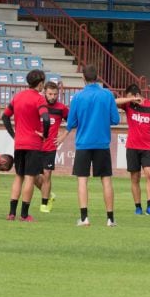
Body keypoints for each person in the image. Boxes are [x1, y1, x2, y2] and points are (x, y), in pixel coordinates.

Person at [59, 65, 120, 227]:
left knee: (82, 181)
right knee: (106, 180)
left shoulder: (78, 97)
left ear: (83, 78)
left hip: (84, 143)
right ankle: (110, 219)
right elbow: (115, 119)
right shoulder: (107, 95)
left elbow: (71, 122)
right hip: (102, 143)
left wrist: (64, 135)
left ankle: (85, 218)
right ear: (98, 77)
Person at [2, 69, 50, 222]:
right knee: (30, 178)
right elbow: (46, 119)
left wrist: (14, 135)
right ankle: (24, 214)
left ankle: (11, 213)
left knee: (18, 177)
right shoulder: (39, 99)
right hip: (33, 144)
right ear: (41, 83)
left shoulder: (18, 96)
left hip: (19, 143)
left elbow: (5, 116)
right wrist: (45, 135)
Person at [122, 83, 150, 216]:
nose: (129, 100)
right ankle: (138, 207)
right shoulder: (128, 105)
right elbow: (113, 101)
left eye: (130, 97)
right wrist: (129, 99)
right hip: (132, 147)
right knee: (135, 177)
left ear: (137, 95)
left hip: (147, 147)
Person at [34, 80, 67, 213]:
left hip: (50, 147)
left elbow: (73, 120)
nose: (52, 96)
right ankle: (49, 195)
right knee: (33, 176)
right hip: (35, 146)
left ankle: (44, 204)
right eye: (50, 94)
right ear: (44, 93)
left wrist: (63, 136)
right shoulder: (38, 105)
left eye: (55, 94)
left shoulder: (61, 108)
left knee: (47, 175)